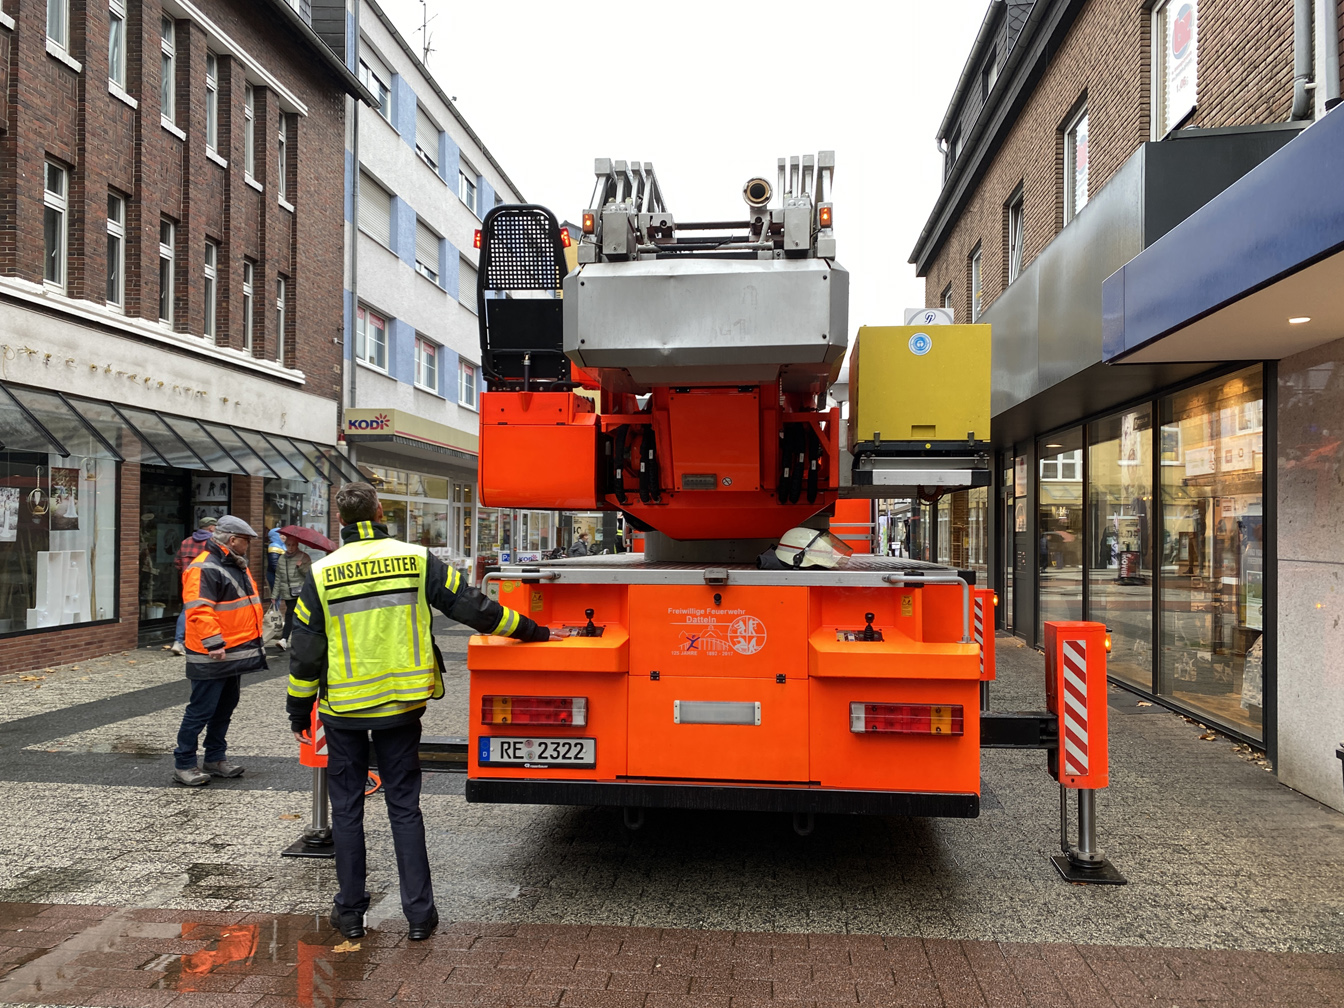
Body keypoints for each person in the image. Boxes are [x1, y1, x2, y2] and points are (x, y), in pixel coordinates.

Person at [286, 483, 567, 942]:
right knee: (404, 807)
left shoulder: (322, 573)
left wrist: (298, 708)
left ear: (340, 521)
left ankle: (351, 913)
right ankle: (419, 915)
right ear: (379, 512)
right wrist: (534, 631)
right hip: (402, 706)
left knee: (347, 809)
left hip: (345, 711)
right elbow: (475, 609)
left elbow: (305, 651)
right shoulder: (416, 559)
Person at [173, 516, 267, 787]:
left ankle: (215, 758)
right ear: (232, 539)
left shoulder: (232, 563)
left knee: (225, 706)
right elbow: (199, 608)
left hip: (232, 651)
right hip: (212, 653)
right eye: (245, 540)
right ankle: (184, 763)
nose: (248, 545)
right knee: (201, 710)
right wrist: (214, 643)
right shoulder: (205, 567)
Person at [169, 516, 218, 656]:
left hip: (189, 580)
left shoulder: (186, 541)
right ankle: (202, 641)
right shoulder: (212, 542)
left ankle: (178, 641)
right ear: (211, 528)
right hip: (206, 580)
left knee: (186, 609)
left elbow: (177, 561)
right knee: (207, 610)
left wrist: (185, 571)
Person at [271, 533, 311, 651]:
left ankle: (289, 639)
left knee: (295, 615)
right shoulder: (282, 559)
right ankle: (286, 640)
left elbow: (310, 574)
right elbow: (278, 577)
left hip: (300, 592)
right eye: (288, 545)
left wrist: (301, 567)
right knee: (290, 615)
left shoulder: (304, 557)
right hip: (287, 592)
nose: (291, 547)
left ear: (297, 545)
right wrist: (274, 595)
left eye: (293, 545)